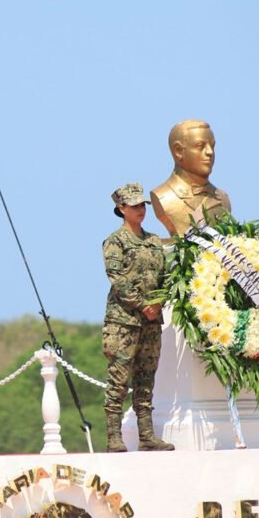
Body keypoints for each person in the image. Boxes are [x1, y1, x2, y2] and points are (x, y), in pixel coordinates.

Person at [101, 183, 174, 452]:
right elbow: (116, 278)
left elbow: (166, 278)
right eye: (134, 206)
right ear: (121, 209)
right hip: (123, 322)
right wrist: (143, 304)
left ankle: (147, 436)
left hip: (151, 322)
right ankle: (114, 437)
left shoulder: (154, 242)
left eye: (142, 205)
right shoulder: (115, 242)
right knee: (118, 381)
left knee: (146, 379)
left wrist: (158, 303)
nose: (140, 210)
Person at [150, 119, 232, 236]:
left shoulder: (223, 199)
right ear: (178, 151)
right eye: (200, 146)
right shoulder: (163, 196)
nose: (210, 152)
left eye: (212, 146)